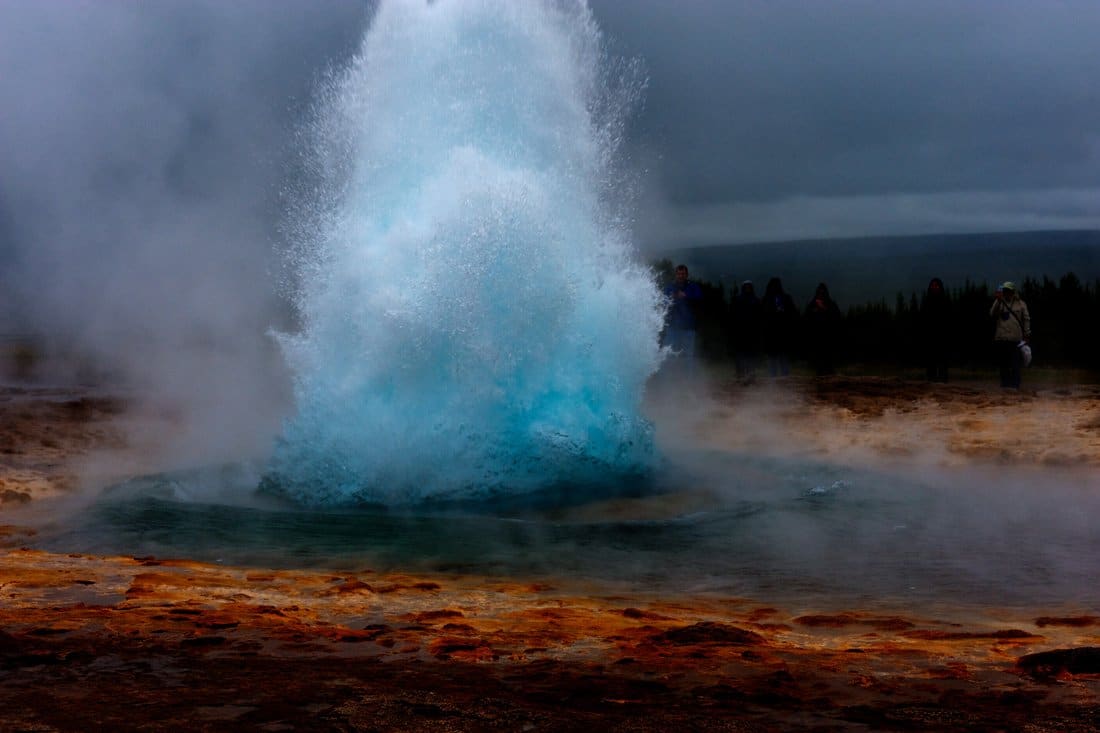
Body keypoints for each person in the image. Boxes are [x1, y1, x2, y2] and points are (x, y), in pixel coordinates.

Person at [989, 280, 1030, 389]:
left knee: (1015, 364)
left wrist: (1027, 334)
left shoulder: (1021, 304)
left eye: (1008, 291)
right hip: (1002, 338)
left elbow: (1026, 320)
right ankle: (1005, 385)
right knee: (1003, 364)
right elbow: (992, 313)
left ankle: (1015, 386)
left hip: (1016, 339)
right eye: (1004, 291)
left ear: (1013, 291)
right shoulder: (999, 302)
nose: (1006, 293)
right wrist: (997, 300)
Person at [662, 264, 703, 373]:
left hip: (689, 328)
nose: (681, 276)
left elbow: (700, 301)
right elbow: (664, 303)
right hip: (672, 327)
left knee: (688, 356)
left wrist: (686, 297)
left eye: (683, 274)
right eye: (679, 273)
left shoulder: (693, 287)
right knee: (668, 354)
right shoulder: (670, 287)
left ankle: (687, 382)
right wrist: (672, 298)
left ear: (687, 275)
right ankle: (665, 381)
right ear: (676, 274)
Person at [759, 277, 797, 377]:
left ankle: (781, 381)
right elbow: (762, 317)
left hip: (781, 334)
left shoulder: (784, 298)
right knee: (774, 360)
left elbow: (792, 315)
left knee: (781, 360)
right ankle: (775, 382)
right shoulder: (767, 299)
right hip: (772, 334)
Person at [803, 282, 842, 376]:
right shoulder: (813, 305)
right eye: (819, 293)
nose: (821, 295)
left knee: (828, 365)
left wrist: (823, 309)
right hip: (817, 340)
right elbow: (806, 320)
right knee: (819, 366)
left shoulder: (830, 305)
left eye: (822, 293)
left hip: (828, 339)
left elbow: (836, 319)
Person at [919, 277, 952, 382]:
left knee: (943, 359)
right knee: (930, 359)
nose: (934, 287)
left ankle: (943, 381)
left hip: (943, 335)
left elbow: (950, 318)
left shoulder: (945, 301)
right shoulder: (927, 301)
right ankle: (931, 379)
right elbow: (922, 318)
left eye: (936, 285)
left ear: (940, 287)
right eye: (932, 285)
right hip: (930, 335)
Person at [728, 280, 761, 383]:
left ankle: (745, 374)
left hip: (746, 332)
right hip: (743, 332)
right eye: (746, 287)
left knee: (745, 353)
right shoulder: (754, 300)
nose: (747, 289)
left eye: (749, 287)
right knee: (744, 354)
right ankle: (744, 374)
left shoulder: (740, 299)